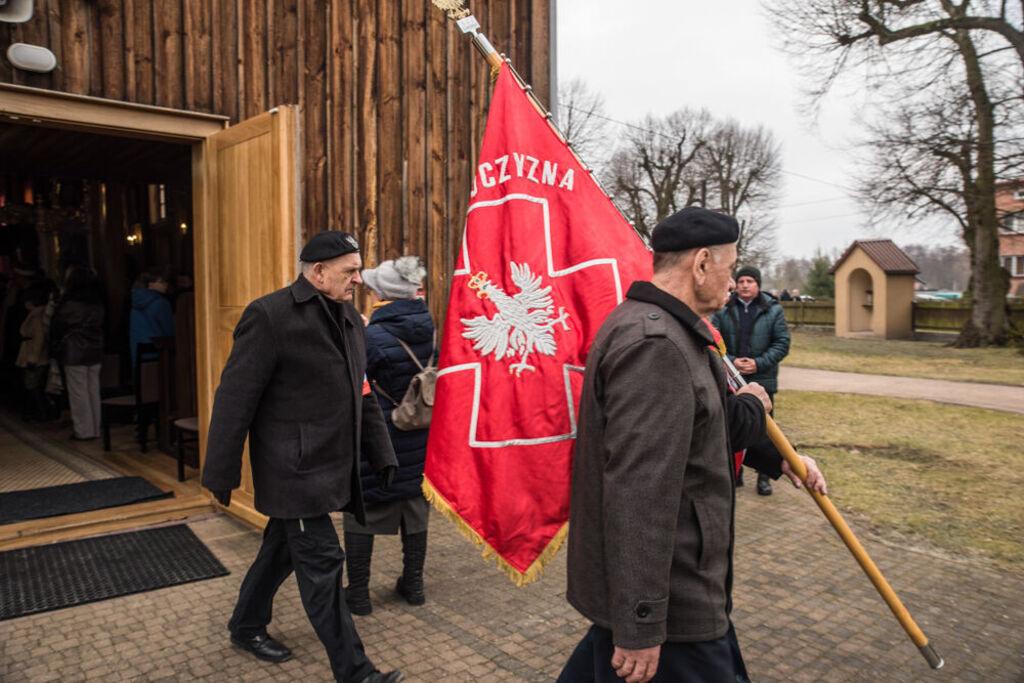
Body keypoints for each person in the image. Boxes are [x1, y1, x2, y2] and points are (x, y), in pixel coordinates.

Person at [559, 207, 826, 683]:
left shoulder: (675, 331)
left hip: (666, 588)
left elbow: (705, 423)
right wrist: (641, 623)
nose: (733, 279)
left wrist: (781, 457)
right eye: (730, 265)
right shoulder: (656, 344)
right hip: (673, 598)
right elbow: (639, 492)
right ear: (702, 262)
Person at [201, 230, 403, 683]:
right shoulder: (269, 316)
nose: (357, 280)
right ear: (318, 272)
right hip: (295, 473)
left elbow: (363, 393)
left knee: (280, 552)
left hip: (332, 467)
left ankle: (246, 626)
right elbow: (235, 399)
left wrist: (382, 452)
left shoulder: (351, 321)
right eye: (349, 271)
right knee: (324, 566)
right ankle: (357, 674)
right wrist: (222, 471)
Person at [343, 256, 434, 616]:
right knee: (415, 507)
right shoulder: (430, 328)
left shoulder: (373, 335)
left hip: (380, 436)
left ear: (382, 294)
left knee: (363, 510)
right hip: (420, 433)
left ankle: (359, 595)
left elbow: (353, 380)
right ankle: (413, 585)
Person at [711, 265, 791, 496]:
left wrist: (759, 363)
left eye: (750, 281)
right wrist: (732, 362)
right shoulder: (724, 307)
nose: (744, 285)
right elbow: (714, 337)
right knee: (735, 421)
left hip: (762, 378)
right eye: (742, 281)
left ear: (758, 284)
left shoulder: (773, 310)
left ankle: (764, 478)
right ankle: (735, 475)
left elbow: (781, 343)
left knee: (764, 427)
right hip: (732, 378)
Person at [50, 266, 105, 441]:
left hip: (74, 349)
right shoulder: (98, 302)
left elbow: (57, 327)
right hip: (95, 348)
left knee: (78, 392)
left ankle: (83, 431)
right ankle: (95, 428)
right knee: (93, 390)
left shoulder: (69, 304)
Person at [129, 268, 174, 365]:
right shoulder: (161, 303)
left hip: (137, 350)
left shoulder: (135, 301)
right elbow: (169, 330)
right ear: (151, 284)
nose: (165, 285)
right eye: (161, 282)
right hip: (159, 353)